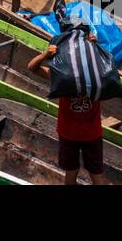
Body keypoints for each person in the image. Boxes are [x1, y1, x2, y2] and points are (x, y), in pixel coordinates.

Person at [27, 37, 108, 185]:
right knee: (96, 175)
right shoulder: (98, 76)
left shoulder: (62, 76)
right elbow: (110, 66)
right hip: (91, 134)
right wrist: (96, 46)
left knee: (72, 174)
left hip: (70, 134)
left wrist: (45, 54)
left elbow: (32, 67)